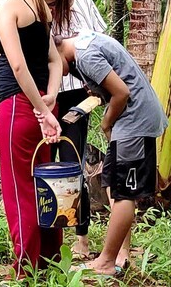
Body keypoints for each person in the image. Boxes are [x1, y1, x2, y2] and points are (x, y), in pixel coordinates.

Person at [55, 31, 168, 276]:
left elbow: (122, 93)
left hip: (135, 121)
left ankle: (106, 262)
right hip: (131, 122)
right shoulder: (86, 44)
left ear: (56, 50)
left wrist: (107, 123)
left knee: (124, 192)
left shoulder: (85, 56)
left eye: (52, 64)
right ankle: (119, 254)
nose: (57, 73)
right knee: (112, 182)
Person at [0, 0, 64, 280]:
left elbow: (18, 67)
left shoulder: (8, 4)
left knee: (19, 188)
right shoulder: (37, 4)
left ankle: (25, 270)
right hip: (37, 106)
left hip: (20, 109)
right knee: (42, 183)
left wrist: (42, 110)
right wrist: (50, 97)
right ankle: (48, 259)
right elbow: (54, 61)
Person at [42, 0, 108, 258]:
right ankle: (51, 234)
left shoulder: (81, 3)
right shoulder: (35, 12)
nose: (50, 8)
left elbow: (100, 42)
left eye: (53, 2)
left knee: (72, 164)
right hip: (48, 95)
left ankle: (81, 239)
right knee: (47, 164)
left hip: (79, 94)